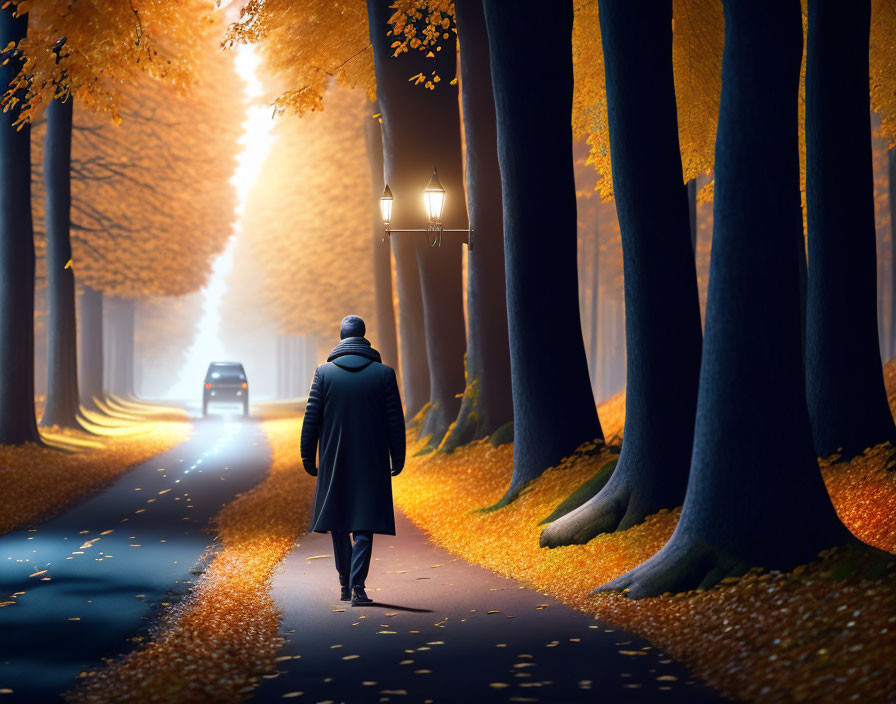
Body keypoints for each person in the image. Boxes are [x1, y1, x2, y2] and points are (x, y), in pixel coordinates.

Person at [300, 315, 406, 606]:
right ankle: (358, 586)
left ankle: (344, 584)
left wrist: (308, 456)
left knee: (338, 520)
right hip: (371, 458)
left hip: (334, 457)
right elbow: (394, 421)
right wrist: (398, 456)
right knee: (364, 522)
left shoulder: (323, 373)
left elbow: (312, 418)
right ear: (364, 336)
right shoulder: (384, 374)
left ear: (341, 337)